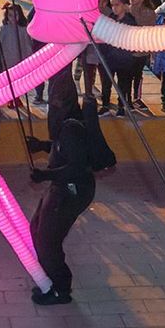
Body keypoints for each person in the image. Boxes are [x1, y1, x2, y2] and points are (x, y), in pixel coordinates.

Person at [27, 103, 101, 306]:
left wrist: (45, 175)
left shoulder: (72, 129)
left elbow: (76, 166)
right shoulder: (67, 125)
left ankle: (61, 289)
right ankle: (50, 279)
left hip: (70, 191)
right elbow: (63, 149)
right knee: (36, 230)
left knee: (47, 241)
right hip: (61, 188)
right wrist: (42, 145)